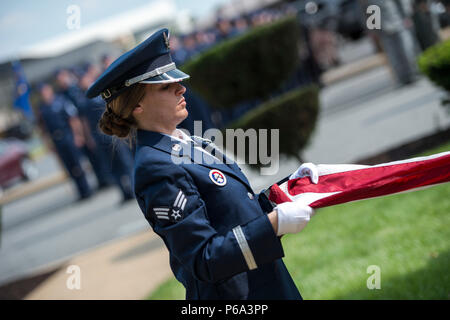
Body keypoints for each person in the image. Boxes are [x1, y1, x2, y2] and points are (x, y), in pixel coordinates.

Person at [86, 28, 317, 300]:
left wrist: (285, 191)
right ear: (137, 105)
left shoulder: (187, 141)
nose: (181, 88)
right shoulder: (155, 167)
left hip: (264, 282)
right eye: (165, 86)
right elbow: (203, 258)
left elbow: (232, 213)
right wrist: (274, 224)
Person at [37, 83, 92, 201]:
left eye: (45, 91)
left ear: (50, 90)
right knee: (69, 167)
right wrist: (48, 144)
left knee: (77, 165)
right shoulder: (42, 109)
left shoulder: (61, 101)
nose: (44, 94)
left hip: (68, 136)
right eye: (42, 93)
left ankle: (87, 189)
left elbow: (73, 120)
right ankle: (80, 191)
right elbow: (43, 129)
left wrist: (78, 135)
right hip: (57, 140)